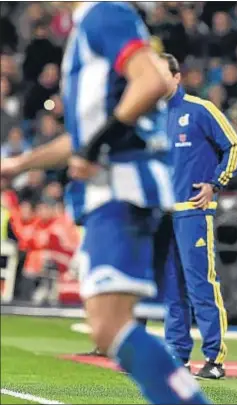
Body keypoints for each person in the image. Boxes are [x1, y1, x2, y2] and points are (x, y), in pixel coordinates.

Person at [1, 3, 210, 404]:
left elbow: (148, 82)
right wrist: (21, 164)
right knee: (108, 325)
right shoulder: (93, 24)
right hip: (116, 186)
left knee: (110, 325)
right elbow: (83, 135)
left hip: (121, 187)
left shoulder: (103, 15)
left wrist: (95, 148)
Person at [157, 52, 237, 379]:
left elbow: (234, 145)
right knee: (172, 290)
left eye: (162, 74)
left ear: (177, 77)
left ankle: (215, 358)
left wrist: (215, 184)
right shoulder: (151, 117)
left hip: (194, 213)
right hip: (164, 216)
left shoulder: (199, 109)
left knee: (201, 285)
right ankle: (177, 356)